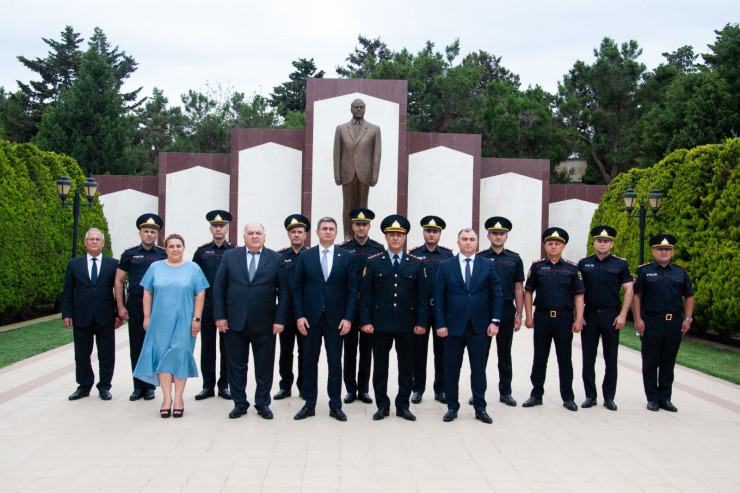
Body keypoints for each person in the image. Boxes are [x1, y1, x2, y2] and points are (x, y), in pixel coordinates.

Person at [212, 223, 287, 420]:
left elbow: (284, 293)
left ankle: (262, 403)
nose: (254, 236)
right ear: (244, 237)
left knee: (264, 366)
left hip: (265, 322)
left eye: (258, 233)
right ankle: (240, 403)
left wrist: (280, 320)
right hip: (234, 321)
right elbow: (218, 288)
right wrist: (220, 317)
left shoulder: (276, 258)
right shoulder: (230, 256)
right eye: (250, 233)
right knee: (237, 365)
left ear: (265, 236)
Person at [361, 215, 429, 421]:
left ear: (405, 237)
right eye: (391, 235)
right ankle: (382, 405)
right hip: (380, 325)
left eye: (399, 235)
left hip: (407, 325)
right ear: (385, 237)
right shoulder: (373, 263)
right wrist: (365, 321)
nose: (395, 238)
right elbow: (365, 295)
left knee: (406, 368)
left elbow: (423, 298)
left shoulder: (416, 264)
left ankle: (402, 405)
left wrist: (421, 322)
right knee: (380, 367)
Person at [133, 234, 208, 418]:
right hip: (160, 322)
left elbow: (200, 294)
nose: (175, 249)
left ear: (184, 248)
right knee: (162, 358)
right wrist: (147, 317)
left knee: (180, 355)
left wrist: (197, 318)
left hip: (184, 321)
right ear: (165, 249)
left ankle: (179, 399)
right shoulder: (155, 267)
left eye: (179, 246)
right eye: (171, 246)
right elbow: (147, 292)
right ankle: (167, 399)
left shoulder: (193, 268)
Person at [434, 228, 503, 424]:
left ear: (477, 243)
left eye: (472, 239)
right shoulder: (446, 266)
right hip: (453, 328)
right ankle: (452, 407)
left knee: (478, 369)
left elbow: (496, 294)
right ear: (458, 243)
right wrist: (440, 323)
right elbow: (438, 297)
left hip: (479, 327)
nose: (468, 242)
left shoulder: (487, 265)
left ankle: (480, 408)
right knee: (451, 369)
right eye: (464, 239)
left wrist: (495, 321)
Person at [292, 217, 357, 421]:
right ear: (317, 232)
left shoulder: (346, 256)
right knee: (309, 362)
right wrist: (299, 316)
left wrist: (348, 318)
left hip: (336, 320)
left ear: (336, 232)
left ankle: (335, 405)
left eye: (331, 229)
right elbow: (297, 288)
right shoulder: (306, 256)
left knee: (334, 363)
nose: (328, 232)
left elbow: (351, 290)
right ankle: (309, 403)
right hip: (310, 319)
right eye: (324, 229)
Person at [522, 227, 584, 412]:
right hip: (542, 317)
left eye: (557, 244)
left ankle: (568, 397)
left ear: (563, 246)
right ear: (545, 246)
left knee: (565, 359)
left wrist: (579, 319)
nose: (553, 246)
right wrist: (529, 316)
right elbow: (528, 291)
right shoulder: (537, 267)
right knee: (540, 358)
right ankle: (536, 394)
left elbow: (579, 296)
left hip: (564, 319)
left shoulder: (572, 269)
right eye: (550, 243)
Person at [633, 234, 694, 412]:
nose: (664, 252)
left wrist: (688, 319)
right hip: (651, 321)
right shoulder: (644, 271)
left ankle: (665, 398)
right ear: (653, 251)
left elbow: (689, 296)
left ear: (672, 251)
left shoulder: (680, 272)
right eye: (660, 249)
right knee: (650, 362)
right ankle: (652, 398)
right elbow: (636, 296)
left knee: (668, 362)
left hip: (674, 322)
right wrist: (637, 319)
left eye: (667, 249)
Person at [62, 228, 122, 401]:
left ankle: (104, 386)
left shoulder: (113, 264)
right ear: (85, 243)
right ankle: (84, 386)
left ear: (103, 243)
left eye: (98, 239)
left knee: (107, 354)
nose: (94, 242)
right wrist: (66, 313)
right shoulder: (74, 264)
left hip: (105, 316)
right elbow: (67, 291)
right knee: (81, 354)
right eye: (91, 239)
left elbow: (119, 290)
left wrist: (119, 313)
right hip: (82, 316)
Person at [577, 226, 633, 411]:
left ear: (612, 243)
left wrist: (623, 314)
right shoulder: (584, 264)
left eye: (606, 241)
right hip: (590, 315)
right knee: (588, 358)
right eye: (599, 240)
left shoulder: (620, 264)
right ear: (594, 243)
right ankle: (590, 396)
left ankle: (609, 397)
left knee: (611, 358)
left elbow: (629, 290)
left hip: (611, 315)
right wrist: (578, 316)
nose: (602, 243)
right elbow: (577, 292)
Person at [115, 214, 167, 401]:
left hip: (157, 306)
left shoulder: (163, 254)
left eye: (153, 231)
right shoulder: (129, 254)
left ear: (157, 234)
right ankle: (138, 386)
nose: (149, 234)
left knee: (154, 347)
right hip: (136, 304)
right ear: (140, 233)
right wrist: (120, 307)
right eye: (146, 231)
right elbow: (119, 281)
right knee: (137, 346)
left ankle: (151, 386)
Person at [475, 217, 525, 407]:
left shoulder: (514, 258)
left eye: (501, 233)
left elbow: (519, 287)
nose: (498, 236)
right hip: (483, 310)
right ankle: (478, 392)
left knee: (504, 353)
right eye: (494, 233)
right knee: (481, 353)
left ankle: (506, 392)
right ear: (488, 236)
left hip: (505, 309)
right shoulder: (480, 257)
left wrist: (519, 315)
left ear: (506, 236)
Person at [339, 208, 384, 405]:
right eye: (357, 224)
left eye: (364, 224)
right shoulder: (343, 248)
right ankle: (350, 389)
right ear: (352, 226)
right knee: (349, 349)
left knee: (367, 350)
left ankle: (364, 389)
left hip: (370, 307)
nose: (361, 227)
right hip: (349, 306)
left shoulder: (378, 249)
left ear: (369, 226)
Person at [409, 216, 453, 404]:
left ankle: (441, 389)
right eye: (428, 231)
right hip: (421, 310)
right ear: (424, 233)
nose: (432, 234)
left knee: (442, 352)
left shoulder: (448, 255)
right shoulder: (414, 253)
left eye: (435, 231)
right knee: (418, 351)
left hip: (442, 310)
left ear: (440, 234)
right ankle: (417, 388)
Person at [192, 210, 235, 401]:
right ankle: (207, 385)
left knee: (227, 347)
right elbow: (194, 281)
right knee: (207, 346)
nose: (218, 228)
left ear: (227, 228)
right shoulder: (201, 252)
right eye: (215, 226)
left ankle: (224, 385)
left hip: (227, 303)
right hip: (207, 302)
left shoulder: (234, 251)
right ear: (211, 228)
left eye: (222, 225)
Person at [334, 99, 382, 239]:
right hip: (347, 173)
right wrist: (337, 173)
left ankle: (361, 237)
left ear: (365, 109)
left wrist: (375, 174)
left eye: (361, 107)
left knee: (363, 207)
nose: (359, 109)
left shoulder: (374, 129)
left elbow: (377, 154)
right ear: (351, 109)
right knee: (347, 206)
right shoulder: (341, 129)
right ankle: (347, 237)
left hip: (365, 174)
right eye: (356, 107)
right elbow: (337, 152)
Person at [274, 214, 310, 400]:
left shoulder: (311, 255)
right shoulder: (280, 257)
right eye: (293, 232)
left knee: (305, 352)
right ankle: (285, 385)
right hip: (286, 312)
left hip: (305, 312)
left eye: (300, 232)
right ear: (288, 235)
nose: (296, 235)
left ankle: (304, 386)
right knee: (286, 351)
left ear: (306, 235)